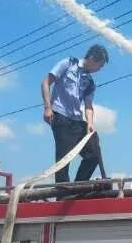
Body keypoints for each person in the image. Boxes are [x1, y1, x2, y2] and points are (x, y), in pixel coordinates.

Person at [42, 44, 109, 186]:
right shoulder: (68, 64)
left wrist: (90, 123)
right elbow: (45, 82)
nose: (99, 69)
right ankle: (62, 192)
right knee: (64, 158)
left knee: (94, 153)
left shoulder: (90, 82)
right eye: (100, 65)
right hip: (61, 116)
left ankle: (78, 187)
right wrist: (48, 108)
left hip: (78, 120)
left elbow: (89, 106)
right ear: (92, 58)